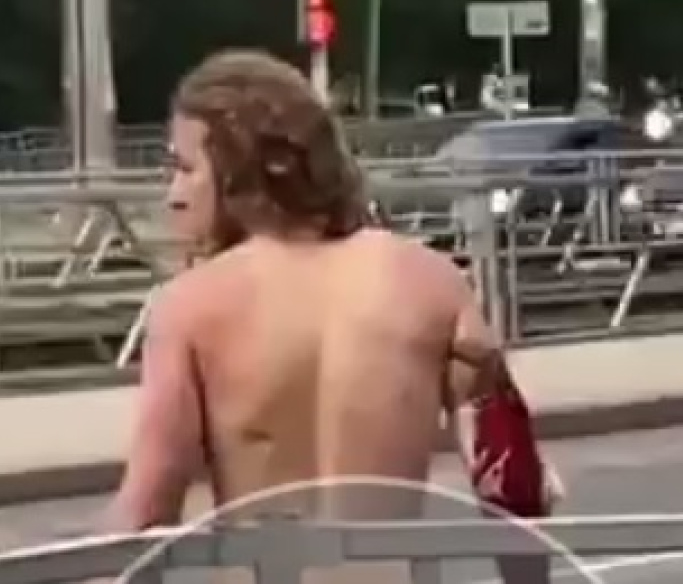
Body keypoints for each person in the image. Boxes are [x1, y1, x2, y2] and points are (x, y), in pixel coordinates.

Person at [108, 49, 560, 581]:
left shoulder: (189, 307)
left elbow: (147, 513)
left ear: (250, 168)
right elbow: (512, 486)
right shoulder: (430, 281)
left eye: (186, 168)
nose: (174, 195)